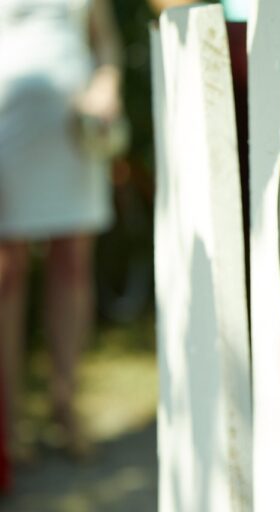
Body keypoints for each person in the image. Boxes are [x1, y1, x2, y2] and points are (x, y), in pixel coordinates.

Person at [0, 0, 123, 460]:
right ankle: (7, 423)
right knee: (6, 271)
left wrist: (106, 84)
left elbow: (105, 41)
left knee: (73, 263)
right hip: (7, 125)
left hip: (73, 129)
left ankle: (64, 405)